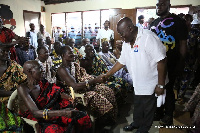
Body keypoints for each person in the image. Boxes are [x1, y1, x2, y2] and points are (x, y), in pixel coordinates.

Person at [100, 17, 167, 133]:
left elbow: (162, 61)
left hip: (151, 83)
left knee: (148, 108)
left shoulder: (148, 38)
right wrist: (107, 74)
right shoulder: (127, 41)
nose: (121, 37)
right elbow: (122, 61)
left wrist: (160, 85)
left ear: (130, 29)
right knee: (138, 105)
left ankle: (143, 129)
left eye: (122, 33)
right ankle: (136, 123)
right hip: (138, 82)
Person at [17, 60, 92, 133]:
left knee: (82, 117)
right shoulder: (23, 88)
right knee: (56, 130)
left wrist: (68, 97)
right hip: (38, 119)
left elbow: (55, 91)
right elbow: (35, 112)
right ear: (30, 72)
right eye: (40, 68)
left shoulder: (42, 82)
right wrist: (63, 113)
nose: (43, 70)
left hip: (51, 111)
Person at [56, 45, 117, 129]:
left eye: (72, 52)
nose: (73, 54)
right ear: (63, 55)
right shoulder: (62, 69)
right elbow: (75, 86)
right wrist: (94, 81)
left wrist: (95, 79)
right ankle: (101, 121)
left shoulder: (74, 65)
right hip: (74, 94)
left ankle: (108, 118)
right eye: (70, 53)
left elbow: (85, 76)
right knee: (95, 96)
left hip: (84, 87)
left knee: (106, 90)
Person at [149, 0, 188, 126]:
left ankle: (168, 115)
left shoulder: (178, 21)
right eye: (157, 5)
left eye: (162, 4)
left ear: (169, 6)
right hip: (155, 63)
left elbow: (183, 44)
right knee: (157, 88)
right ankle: (159, 111)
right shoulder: (154, 23)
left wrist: (181, 63)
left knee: (168, 89)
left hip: (171, 62)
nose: (159, 7)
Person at [0, 43, 27, 132]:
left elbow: (25, 81)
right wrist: (14, 93)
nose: (6, 53)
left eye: (7, 51)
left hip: (14, 97)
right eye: (3, 51)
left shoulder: (14, 66)